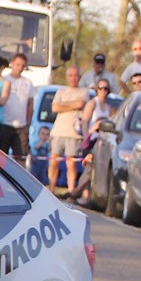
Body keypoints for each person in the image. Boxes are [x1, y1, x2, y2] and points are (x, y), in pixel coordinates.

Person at [48, 65, 89, 193]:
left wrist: (64, 105)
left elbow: (80, 104)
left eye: (76, 75)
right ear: (67, 77)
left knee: (71, 163)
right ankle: (51, 189)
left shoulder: (84, 92)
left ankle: (71, 190)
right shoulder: (61, 91)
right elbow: (55, 108)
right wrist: (72, 105)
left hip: (73, 133)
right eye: (70, 75)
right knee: (54, 161)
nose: (73, 78)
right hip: (58, 131)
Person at [1, 51, 36, 171]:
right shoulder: (4, 79)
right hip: (4, 123)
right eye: (18, 64)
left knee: (21, 157)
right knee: (0, 156)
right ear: (12, 63)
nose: (20, 68)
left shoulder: (28, 83)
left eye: (22, 65)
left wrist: (28, 122)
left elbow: (30, 104)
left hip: (21, 127)